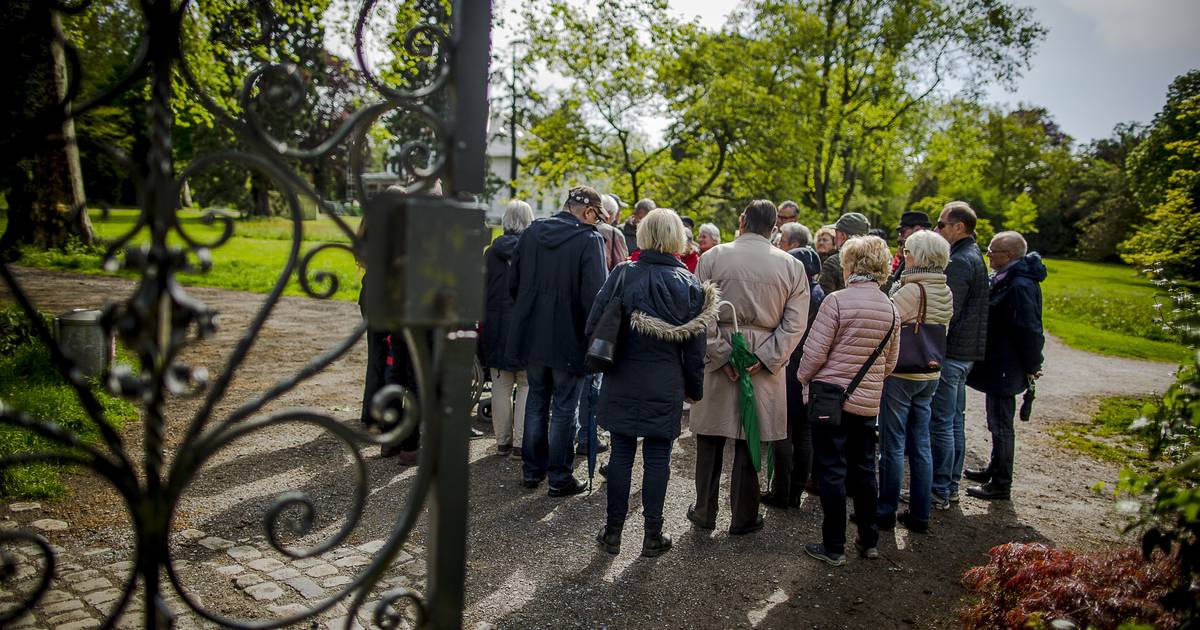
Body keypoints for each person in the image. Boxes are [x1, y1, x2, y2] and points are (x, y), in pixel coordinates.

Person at [590, 209, 717, 558]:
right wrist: (694, 389)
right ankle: (652, 535)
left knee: (621, 453)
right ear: (677, 237)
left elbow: (594, 322)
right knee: (658, 457)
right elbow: (696, 350)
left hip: (622, 375)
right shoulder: (689, 284)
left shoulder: (622, 274)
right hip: (666, 381)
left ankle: (612, 533)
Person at [688, 200, 809, 536]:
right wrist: (766, 357)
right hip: (763, 358)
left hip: (722, 350)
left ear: (742, 221)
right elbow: (795, 323)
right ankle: (743, 515)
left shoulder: (712, 257)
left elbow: (699, 312)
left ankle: (704, 510)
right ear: (774, 227)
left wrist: (722, 353)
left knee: (710, 436)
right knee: (749, 435)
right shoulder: (791, 266)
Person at [797, 235, 900, 566]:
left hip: (830, 398)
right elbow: (890, 362)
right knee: (865, 470)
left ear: (851, 264)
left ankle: (834, 546)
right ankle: (869, 541)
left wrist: (803, 377)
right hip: (866, 402)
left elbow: (814, 353)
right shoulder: (891, 308)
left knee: (831, 470)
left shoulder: (837, 301)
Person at [507, 186, 608, 497]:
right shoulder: (589, 239)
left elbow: (514, 283)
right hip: (569, 336)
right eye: (597, 217)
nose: (597, 223)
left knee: (537, 399)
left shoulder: (532, 232)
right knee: (564, 407)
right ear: (588, 212)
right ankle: (559, 477)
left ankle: (532, 470)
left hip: (533, 332)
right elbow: (596, 298)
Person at [875, 230, 953, 534]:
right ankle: (921, 513)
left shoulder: (912, 290)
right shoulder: (944, 289)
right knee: (921, 443)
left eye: (907, 251)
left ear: (919, 256)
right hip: (930, 372)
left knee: (893, 445)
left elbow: (887, 321)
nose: (903, 255)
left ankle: (885, 511)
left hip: (902, 372)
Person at [964, 231, 1046, 501]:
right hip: (1001, 361)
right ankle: (994, 468)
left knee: (1001, 424)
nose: (988, 254)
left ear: (1008, 255)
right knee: (995, 420)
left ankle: (1000, 482)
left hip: (1007, 363)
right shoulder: (1008, 278)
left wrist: (1033, 363)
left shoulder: (1019, 285)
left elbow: (1029, 328)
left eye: (992, 250)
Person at [929, 201, 989, 508]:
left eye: (941, 224)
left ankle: (941, 488)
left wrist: (932, 348)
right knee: (954, 421)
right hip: (964, 354)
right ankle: (949, 484)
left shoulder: (960, 260)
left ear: (959, 227)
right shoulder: (973, 255)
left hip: (952, 354)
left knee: (943, 422)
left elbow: (947, 312)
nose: (936, 229)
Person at [763, 239, 825, 509]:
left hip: (790, 367)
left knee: (782, 431)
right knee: (804, 433)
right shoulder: (823, 295)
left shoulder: (793, 293)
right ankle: (796, 491)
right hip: (815, 369)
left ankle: (781, 491)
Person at [483, 200, 533, 458]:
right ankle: (521, 444)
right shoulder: (532, 253)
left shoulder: (490, 254)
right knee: (525, 384)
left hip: (495, 326)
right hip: (524, 326)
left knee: (500, 383)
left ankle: (502, 442)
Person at [819, 212, 870, 295]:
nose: (834, 238)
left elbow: (824, 298)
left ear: (843, 236)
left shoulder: (833, 263)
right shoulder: (876, 262)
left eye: (836, 233)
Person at [883, 211, 932, 294]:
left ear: (917, 230)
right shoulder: (909, 257)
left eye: (902, 232)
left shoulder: (928, 261)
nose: (899, 238)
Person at [596, 194, 629, 272]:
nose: (614, 219)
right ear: (609, 214)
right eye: (615, 213)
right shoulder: (614, 233)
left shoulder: (581, 227)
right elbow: (622, 265)